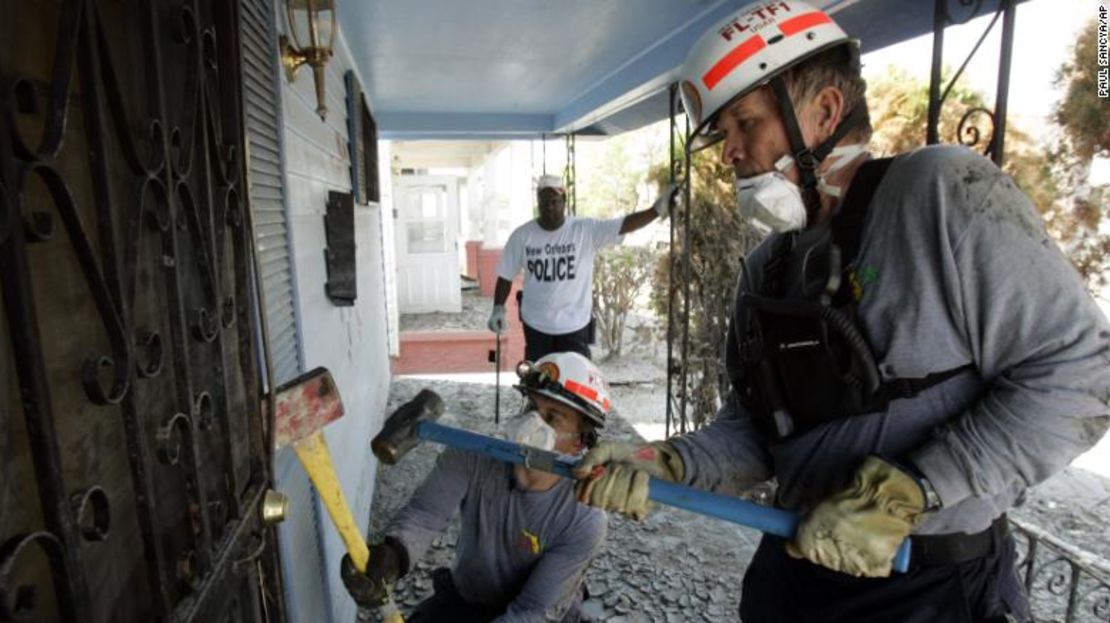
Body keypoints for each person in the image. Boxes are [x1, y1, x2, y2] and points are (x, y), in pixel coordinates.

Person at [571, 2, 1110, 622]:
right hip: (794, 570)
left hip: (929, 585)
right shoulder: (765, 269)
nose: (730, 155)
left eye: (745, 124)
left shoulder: (943, 194)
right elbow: (755, 433)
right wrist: (664, 462)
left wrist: (917, 488)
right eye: (723, 135)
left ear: (824, 112)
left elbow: (1079, 376)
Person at [341, 352, 612, 622]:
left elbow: (532, 611)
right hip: (469, 597)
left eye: (553, 418)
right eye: (532, 407)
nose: (533, 423)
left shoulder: (584, 517)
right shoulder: (474, 454)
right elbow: (426, 515)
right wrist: (394, 554)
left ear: (578, 442)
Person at [487, 174, 675, 361]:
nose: (549, 207)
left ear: (564, 201)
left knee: (573, 383)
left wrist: (656, 210)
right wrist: (498, 308)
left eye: (554, 201)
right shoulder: (522, 236)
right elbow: (505, 275)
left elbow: (623, 225)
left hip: (574, 325)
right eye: (544, 202)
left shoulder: (585, 230)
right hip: (536, 325)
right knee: (537, 381)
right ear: (538, 202)